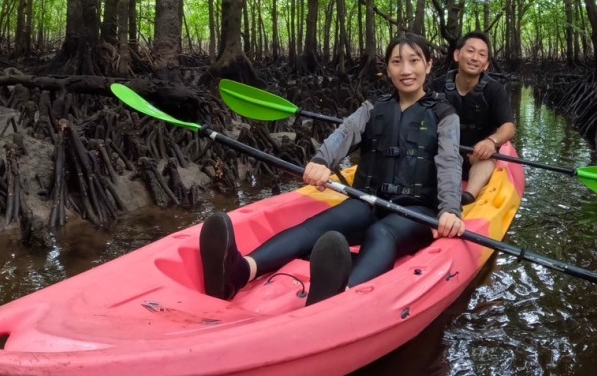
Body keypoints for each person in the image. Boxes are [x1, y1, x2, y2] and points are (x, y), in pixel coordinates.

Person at [200, 33, 464, 306]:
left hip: (415, 211)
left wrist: (450, 210)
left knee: (381, 233)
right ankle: (240, 271)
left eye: (414, 61)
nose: (406, 70)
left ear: (429, 64)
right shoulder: (373, 108)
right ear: (387, 68)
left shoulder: (444, 115)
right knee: (319, 227)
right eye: (397, 62)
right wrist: (321, 161)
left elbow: (449, 163)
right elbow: (344, 134)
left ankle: (342, 295)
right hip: (367, 201)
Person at [440, 30, 516, 205]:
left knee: (486, 160)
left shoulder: (495, 90)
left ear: (486, 64)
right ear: (457, 55)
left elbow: (508, 127)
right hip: (443, 155)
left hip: (478, 157)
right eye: (470, 51)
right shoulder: (436, 87)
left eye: (482, 54)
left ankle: (468, 197)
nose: (475, 58)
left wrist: (491, 141)